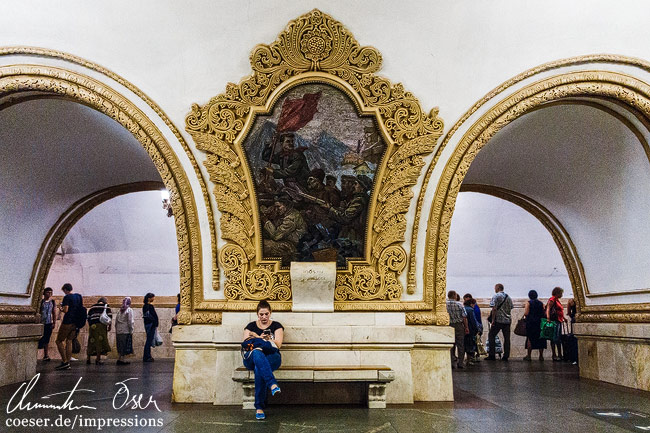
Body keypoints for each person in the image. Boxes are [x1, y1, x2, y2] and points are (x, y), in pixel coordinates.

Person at [243, 300, 284, 420]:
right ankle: (272, 384)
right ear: (257, 314)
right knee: (256, 352)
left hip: (272, 357)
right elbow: (246, 346)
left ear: (270, 313)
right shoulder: (250, 327)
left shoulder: (276, 326)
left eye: (266, 314)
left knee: (259, 368)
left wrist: (268, 340)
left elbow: (278, 345)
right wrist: (258, 339)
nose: (264, 317)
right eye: (261, 314)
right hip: (252, 357)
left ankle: (259, 408)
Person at [55, 283, 84, 370]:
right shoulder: (78, 296)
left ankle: (64, 361)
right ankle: (68, 361)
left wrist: (60, 308)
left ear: (65, 290)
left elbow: (66, 310)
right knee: (69, 341)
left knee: (59, 341)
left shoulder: (67, 297)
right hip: (76, 322)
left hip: (67, 322)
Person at [486, 283, 513, 361]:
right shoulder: (508, 297)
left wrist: (493, 320)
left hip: (498, 320)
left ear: (497, 288)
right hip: (507, 321)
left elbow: (494, 308)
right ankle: (506, 356)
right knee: (507, 338)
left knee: (491, 335)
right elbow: (511, 307)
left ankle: (492, 355)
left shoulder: (496, 296)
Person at [446, 290, 468, 369]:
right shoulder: (459, 304)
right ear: (455, 296)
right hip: (459, 325)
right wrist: (466, 327)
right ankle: (460, 363)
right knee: (461, 345)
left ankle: (451, 362)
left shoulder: (445, 304)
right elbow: (464, 316)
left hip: (449, 325)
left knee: (451, 345)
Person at [86, 297, 112, 365]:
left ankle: (88, 358)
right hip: (101, 326)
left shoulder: (92, 307)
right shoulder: (106, 307)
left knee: (91, 341)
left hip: (93, 326)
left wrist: (91, 324)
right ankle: (98, 359)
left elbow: (88, 317)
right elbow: (109, 317)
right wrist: (109, 326)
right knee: (99, 342)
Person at [523, 290, 546, 361]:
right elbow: (544, 312)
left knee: (530, 338)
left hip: (531, 323)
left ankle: (529, 356)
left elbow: (526, 313)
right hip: (539, 323)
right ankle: (541, 356)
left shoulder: (528, 303)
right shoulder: (541, 303)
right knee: (541, 339)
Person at [546, 287, 565, 361]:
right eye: (561, 293)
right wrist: (548, 318)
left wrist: (564, 318)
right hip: (554, 321)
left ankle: (560, 354)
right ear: (557, 293)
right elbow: (548, 308)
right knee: (554, 338)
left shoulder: (557, 300)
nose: (561, 295)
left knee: (558, 338)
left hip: (559, 320)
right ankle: (554, 354)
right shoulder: (552, 299)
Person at [38, 287, 56, 361]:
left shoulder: (52, 302)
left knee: (47, 339)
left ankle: (46, 355)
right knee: (40, 339)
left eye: (51, 292)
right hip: (42, 322)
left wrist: (54, 322)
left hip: (49, 322)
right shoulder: (41, 302)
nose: (49, 294)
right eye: (48, 292)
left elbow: (54, 312)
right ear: (44, 293)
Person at [115, 296, 134, 365]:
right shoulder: (129, 310)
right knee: (124, 345)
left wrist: (116, 329)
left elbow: (116, 321)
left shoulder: (119, 311)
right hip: (125, 330)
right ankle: (122, 360)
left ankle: (119, 358)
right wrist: (131, 330)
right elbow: (130, 321)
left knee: (120, 345)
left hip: (119, 330)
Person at [142, 292, 158, 362]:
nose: (153, 298)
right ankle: (147, 356)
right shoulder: (150, 306)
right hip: (151, 324)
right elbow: (153, 315)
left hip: (147, 324)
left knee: (148, 340)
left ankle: (147, 355)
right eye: (152, 297)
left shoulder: (145, 306)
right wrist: (155, 322)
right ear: (149, 298)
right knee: (149, 340)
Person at [463, 298, 479, 366]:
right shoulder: (470, 310)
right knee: (471, 344)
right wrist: (477, 329)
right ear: (471, 304)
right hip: (471, 329)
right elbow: (473, 321)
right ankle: (470, 359)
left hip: (464, 329)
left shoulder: (464, 308)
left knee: (466, 344)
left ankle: (467, 359)